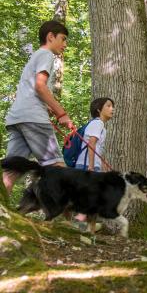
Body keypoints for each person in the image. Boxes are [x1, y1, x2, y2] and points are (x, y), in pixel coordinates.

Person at [3, 21, 74, 194]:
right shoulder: (46, 55)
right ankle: (66, 221)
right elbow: (40, 86)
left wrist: (48, 107)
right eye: (63, 39)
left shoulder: (35, 56)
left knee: (10, 172)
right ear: (51, 37)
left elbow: (32, 89)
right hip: (34, 119)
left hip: (17, 118)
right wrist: (61, 113)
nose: (65, 45)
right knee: (58, 167)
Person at [75, 97, 114, 172]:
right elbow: (91, 143)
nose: (112, 109)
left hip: (90, 166)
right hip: (86, 166)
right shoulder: (97, 123)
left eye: (112, 106)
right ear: (98, 110)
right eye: (108, 106)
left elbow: (97, 148)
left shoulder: (99, 125)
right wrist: (91, 166)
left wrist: (102, 164)